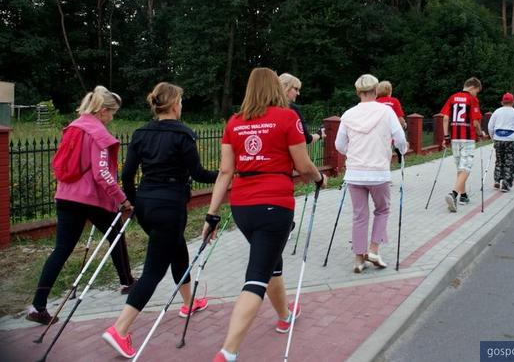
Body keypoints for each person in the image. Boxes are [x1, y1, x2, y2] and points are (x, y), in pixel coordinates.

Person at [204, 68, 326, 362]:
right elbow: (303, 164)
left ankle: (285, 315)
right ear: (276, 88)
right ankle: (228, 351)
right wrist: (319, 178)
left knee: (272, 262)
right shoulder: (287, 118)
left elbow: (225, 172)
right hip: (275, 204)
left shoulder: (234, 122)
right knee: (257, 276)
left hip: (243, 206)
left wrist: (211, 215)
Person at [102, 82, 218, 359]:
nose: (182, 105)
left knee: (177, 249)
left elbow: (127, 174)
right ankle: (120, 328)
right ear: (175, 103)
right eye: (181, 100)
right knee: (155, 270)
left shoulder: (140, 133)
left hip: (145, 204)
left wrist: (131, 201)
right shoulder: (184, 134)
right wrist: (226, 173)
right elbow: (199, 173)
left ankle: (189, 303)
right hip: (170, 205)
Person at [26, 86, 134, 325]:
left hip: (65, 195)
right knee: (116, 234)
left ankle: (38, 305)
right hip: (88, 198)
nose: (112, 118)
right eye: (112, 113)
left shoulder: (74, 127)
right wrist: (122, 199)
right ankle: (127, 282)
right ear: (103, 111)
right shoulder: (98, 133)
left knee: (61, 250)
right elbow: (102, 173)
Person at [335, 74, 407, 273]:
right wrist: (402, 149)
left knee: (359, 215)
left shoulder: (348, 115)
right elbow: (399, 138)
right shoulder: (386, 112)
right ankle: (374, 249)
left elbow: (339, 145)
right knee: (382, 210)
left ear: (358, 92)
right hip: (378, 173)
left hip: (355, 173)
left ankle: (359, 258)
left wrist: (351, 153)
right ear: (375, 91)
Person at [440, 77, 484, 213]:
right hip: (468, 138)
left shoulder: (452, 98)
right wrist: (480, 133)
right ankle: (453, 194)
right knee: (466, 167)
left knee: (460, 167)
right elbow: (476, 122)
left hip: (454, 138)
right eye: (477, 91)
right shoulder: (472, 99)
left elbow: (445, 118)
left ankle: (463, 196)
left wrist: (446, 136)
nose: (476, 94)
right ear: (472, 87)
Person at [488, 92, 514, 192]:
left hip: (498, 138)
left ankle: (497, 180)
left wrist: (493, 137)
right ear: (513, 102)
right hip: (511, 139)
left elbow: (490, 126)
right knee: (510, 161)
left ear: (502, 102)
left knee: (499, 160)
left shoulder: (496, 112)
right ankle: (506, 183)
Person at [279, 73, 326, 144]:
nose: (298, 93)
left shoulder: (265, 107)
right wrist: (319, 134)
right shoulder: (293, 109)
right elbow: (306, 138)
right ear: (285, 87)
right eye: (296, 89)